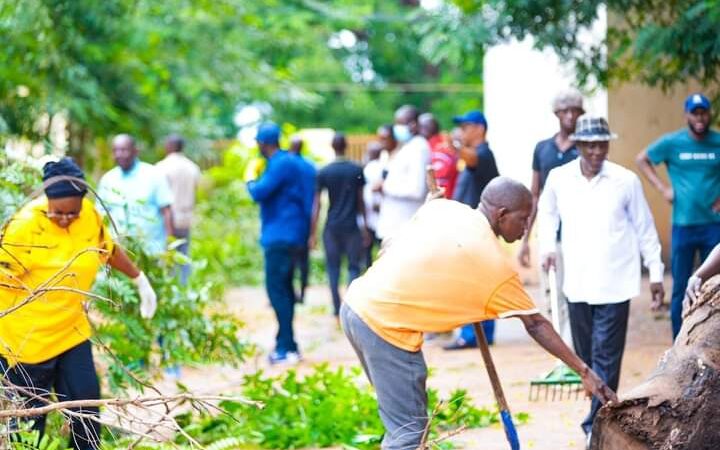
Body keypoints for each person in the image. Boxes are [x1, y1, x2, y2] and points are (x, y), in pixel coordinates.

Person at [341, 177, 616, 450]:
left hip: (356, 305)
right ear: (502, 214)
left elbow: (396, 239)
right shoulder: (492, 264)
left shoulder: (447, 209)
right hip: (385, 327)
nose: (526, 229)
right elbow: (535, 324)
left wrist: (430, 205)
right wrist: (584, 371)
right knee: (408, 437)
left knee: (402, 426)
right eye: (523, 219)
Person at [0, 158, 157, 450]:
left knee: (86, 411)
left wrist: (139, 278)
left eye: (72, 213)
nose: (65, 219)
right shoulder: (24, 227)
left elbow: (106, 249)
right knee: (27, 428)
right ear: (47, 201)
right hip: (26, 344)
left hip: (72, 332)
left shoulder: (89, 216)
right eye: (57, 212)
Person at [538, 116, 665, 440]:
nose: (596, 151)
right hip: (577, 283)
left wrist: (655, 273)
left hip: (615, 282)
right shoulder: (558, 178)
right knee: (587, 359)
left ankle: (595, 425)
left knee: (606, 357)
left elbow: (645, 227)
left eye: (602, 144)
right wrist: (547, 248)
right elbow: (548, 215)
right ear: (578, 145)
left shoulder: (626, 181)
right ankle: (600, 417)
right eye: (590, 145)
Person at [636, 93, 720, 339]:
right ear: (686, 116)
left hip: (714, 226)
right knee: (681, 286)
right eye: (694, 113)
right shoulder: (673, 143)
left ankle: (710, 340)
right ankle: (679, 340)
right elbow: (642, 159)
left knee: (714, 285)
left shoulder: (717, 142)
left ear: (709, 114)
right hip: (683, 225)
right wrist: (663, 188)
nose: (699, 118)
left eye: (703, 112)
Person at [518, 88, 584, 346]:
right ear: (556, 114)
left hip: (577, 233)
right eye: (564, 111)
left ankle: (577, 347)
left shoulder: (586, 148)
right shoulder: (543, 148)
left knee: (575, 291)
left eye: (575, 111)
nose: (569, 116)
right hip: (550, 233)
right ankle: (563, 349)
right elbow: (535, 194)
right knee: (553, 293)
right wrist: (525, 239)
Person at [246, 122, 306, 364]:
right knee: (285, 290)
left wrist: (250, 179)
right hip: (289, 233)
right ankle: (287, 343)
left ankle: (286, 347)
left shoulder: (280, 163)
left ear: (263, 143)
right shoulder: (286, 162)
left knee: (277, 290)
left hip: (279, 236)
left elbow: (259, 192)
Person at [445, 110, 500, 350]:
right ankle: (478, 333)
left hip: (478, 232)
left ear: (479, 129)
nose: (462, 132)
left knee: (472, 284)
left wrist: (455, 146)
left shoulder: (484, 154)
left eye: (466, 127)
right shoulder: (474, 155)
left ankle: (471, 335)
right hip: (471, 231)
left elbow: (472, 159)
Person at [310, 133, 368, 317]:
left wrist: (312, 233)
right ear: (346, 146)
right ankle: (351, 308)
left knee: (333, 268)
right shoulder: (356, 170)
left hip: (332, 227)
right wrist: (365, 227)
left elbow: (317, 204)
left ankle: (336, 308)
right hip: (352, 226)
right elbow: (361, 201)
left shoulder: (324, 171)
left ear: (332, 147)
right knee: (353, 267)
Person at [97, 134, 174, 255]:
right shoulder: (108, 179)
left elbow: (167, 211)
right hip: (118, 253)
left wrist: (170, 246)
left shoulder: (154, 175)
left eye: (123, 150)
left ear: (135, 151)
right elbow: (100, 215)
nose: (119, 154)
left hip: (151, 252)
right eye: (115, 150)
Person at [374, 105, 430, 241]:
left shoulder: (419, 148)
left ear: (414, 124)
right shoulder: (408, 147)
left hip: (404, 229)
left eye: (400, 123)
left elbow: (417, 190)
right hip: (394, 227)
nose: (397, 128)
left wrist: (385, 187)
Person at [155, 134, 201, 284]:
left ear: (168, 146)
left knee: (167, 256)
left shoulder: (161, 167)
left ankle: (169, 288)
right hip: (186, 217)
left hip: (167, 218)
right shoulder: (192, 167)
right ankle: (184, 288)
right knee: (184, 255)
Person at [288, 135, 317, 303]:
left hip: (290, 219)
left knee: (289, 258)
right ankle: (303, 293)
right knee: (304, 258)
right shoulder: (310, 166)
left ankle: (291, 293)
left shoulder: (286, 165)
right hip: (307, 217)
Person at [419, 113, 458, 199]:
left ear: (424, 129)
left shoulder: (439, 150)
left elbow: (439, 185)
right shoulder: (436, 145)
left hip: (444, 201)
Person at [362, 140, 384, 268]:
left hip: (369, 214)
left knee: (367, 251)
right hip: (379, 214)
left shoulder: (367, 168)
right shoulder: (383, 167)